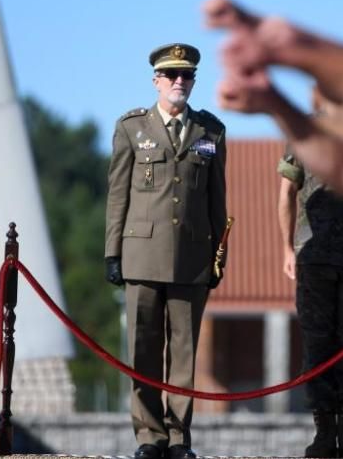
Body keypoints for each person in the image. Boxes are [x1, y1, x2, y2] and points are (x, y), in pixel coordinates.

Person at [104, 43, 228, 459]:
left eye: (187, 75)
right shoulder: (131, 128)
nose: (180, 82)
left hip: (192, 256)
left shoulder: (211, 131)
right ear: (156, 80)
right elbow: (117, 193)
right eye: (172, 75)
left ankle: (178, 438)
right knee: (142, 349)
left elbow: (217, 202)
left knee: (184, 354)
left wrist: (217, 257)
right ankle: (148, 436)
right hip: (141, 253)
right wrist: (112, 252)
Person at [277, 87, 343, 459]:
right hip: (315, 256)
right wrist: (288, 248)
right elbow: (287, 190)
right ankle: (324, 431)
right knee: (318, 346)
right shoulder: (303, 131)